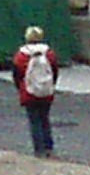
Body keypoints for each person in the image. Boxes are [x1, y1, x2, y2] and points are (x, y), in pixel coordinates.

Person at [12, 24, 60, 158]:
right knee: (45, 119)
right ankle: (49, 146)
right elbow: (55, 71)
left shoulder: (21, 55)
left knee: (34, 121)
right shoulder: (49, 54)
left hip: (29, 92)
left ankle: (39, 149)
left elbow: (17, 75)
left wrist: (20, 88)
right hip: (46, 91)